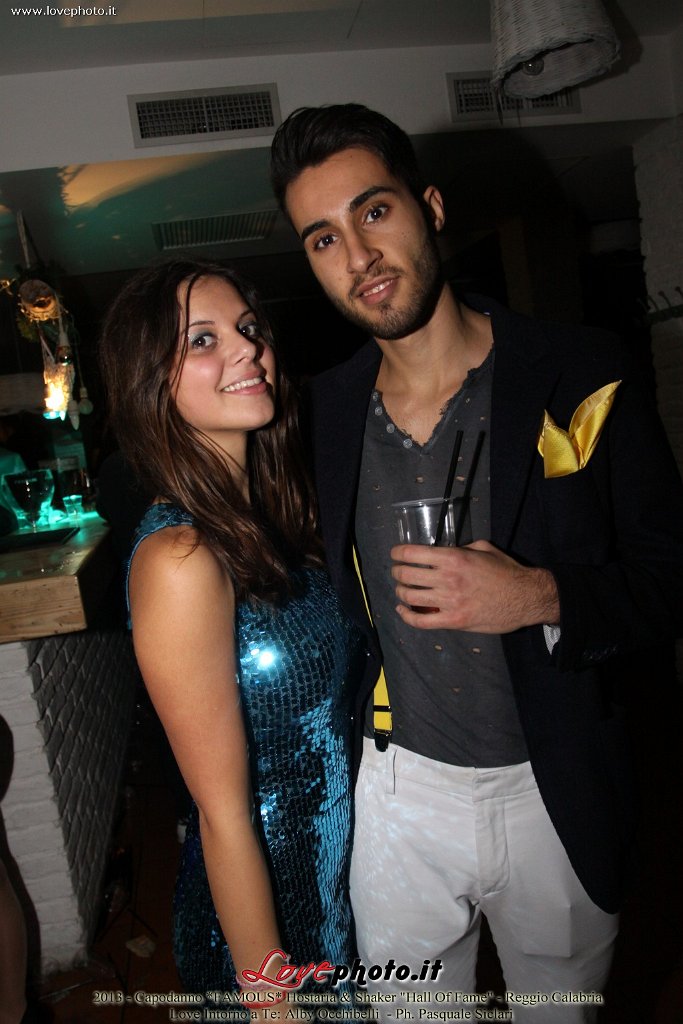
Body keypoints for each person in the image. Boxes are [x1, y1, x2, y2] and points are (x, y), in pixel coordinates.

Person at [269, 104, 683, 1019]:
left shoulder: (579, 370)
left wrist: (540, 594)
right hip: (399, 795)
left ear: (430, 207)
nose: (358, 256)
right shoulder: (318, 415)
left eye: (374, 212)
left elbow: (668, 578)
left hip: (553, 785)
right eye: (323, 239)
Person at [98, 258, 362, 999]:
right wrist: (272, 1003)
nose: (248, 347)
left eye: (247, 328)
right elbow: (221, 816)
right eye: (203, 339)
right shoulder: (181, 557)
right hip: (263, 922)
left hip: (334, 884)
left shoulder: (272, 516)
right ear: (152, 383)